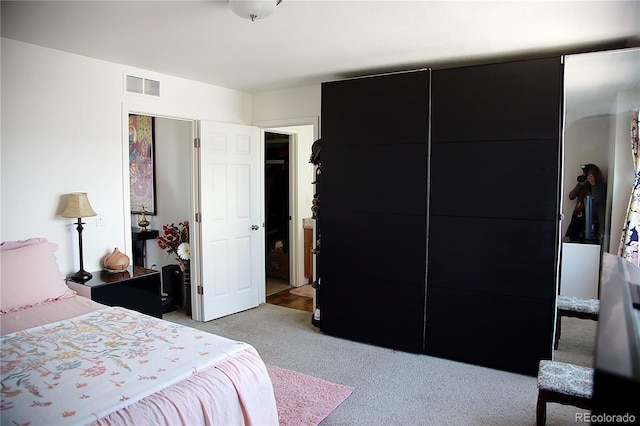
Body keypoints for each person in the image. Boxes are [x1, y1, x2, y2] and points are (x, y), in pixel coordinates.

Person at [565, 164, 606, 241]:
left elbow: (595, 200)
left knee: (586, 242)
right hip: (577, 216)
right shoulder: (584, 184)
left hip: (590, 218)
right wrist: (580, 185)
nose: (587, 177)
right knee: (570, 239)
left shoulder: (600, 186)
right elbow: (571, 196)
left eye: (590, 176)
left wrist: (593, 184)